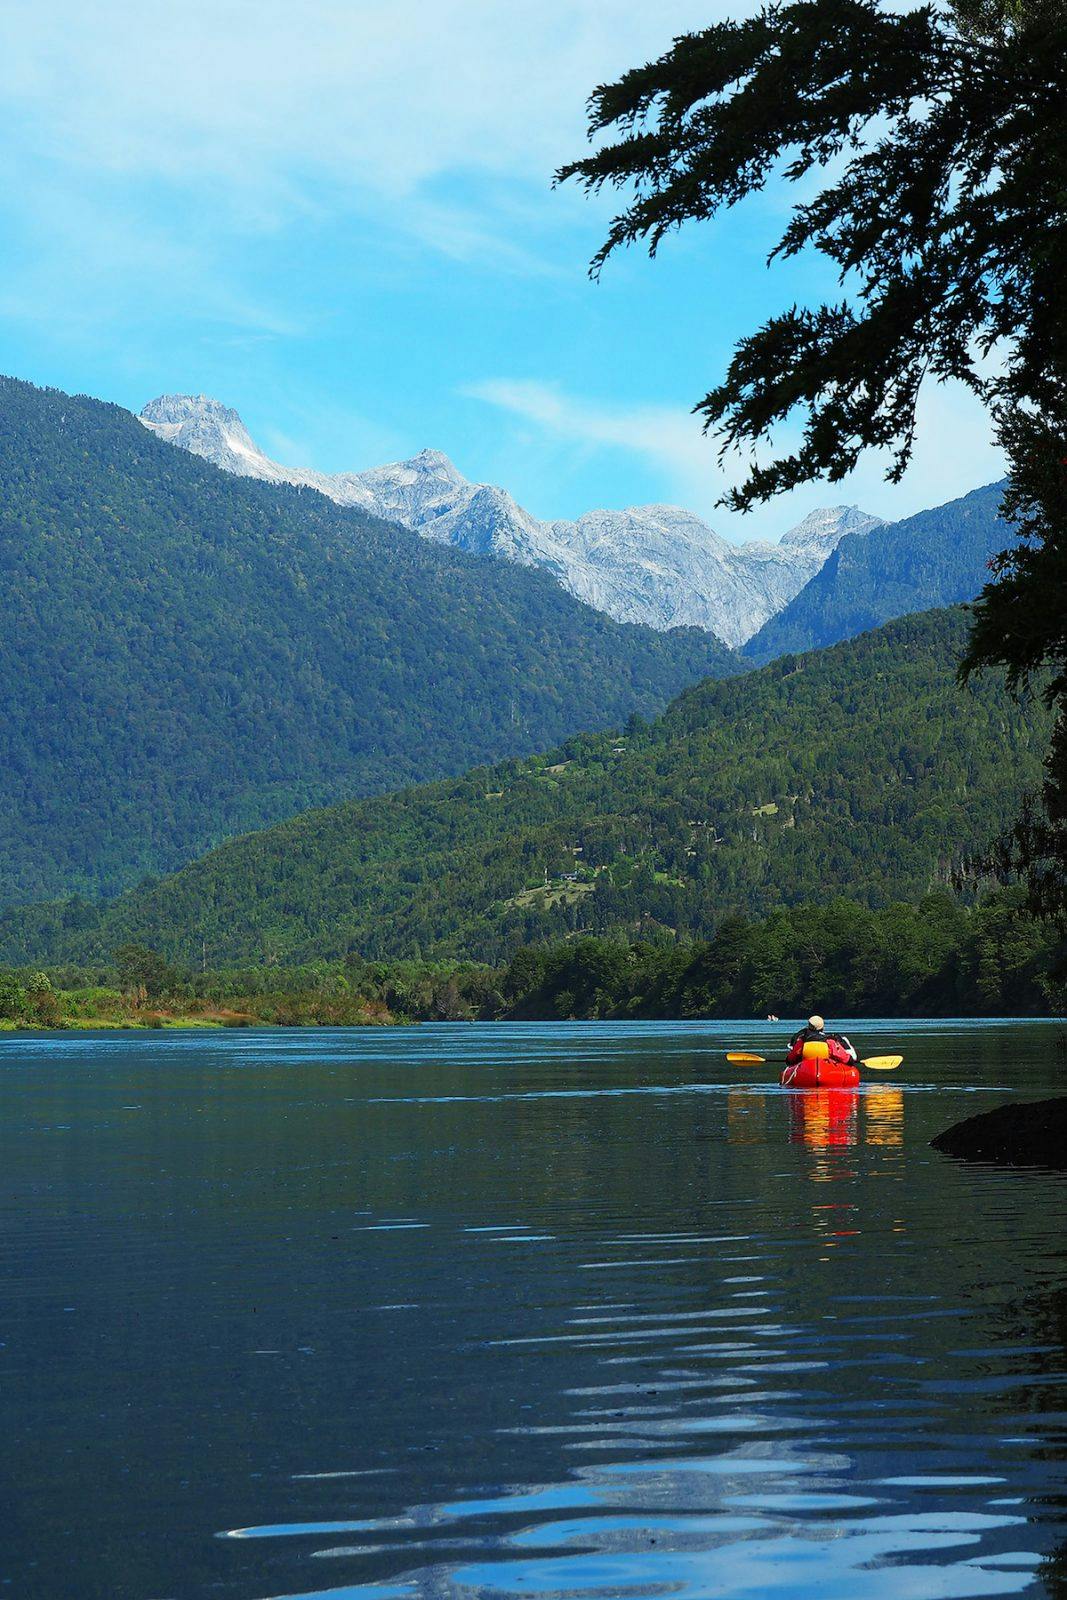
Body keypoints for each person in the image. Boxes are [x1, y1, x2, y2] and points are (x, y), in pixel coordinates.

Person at [787, 1015, 858, 1068]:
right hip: (825, 1067)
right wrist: (850, 1061)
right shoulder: (829, 1041)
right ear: (822, 1028)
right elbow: (846, 1059)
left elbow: (790, 1060)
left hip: (806, 1069)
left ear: (809, 1026)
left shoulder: (801, 1041)